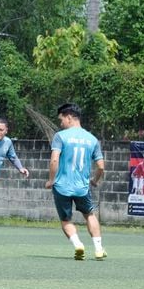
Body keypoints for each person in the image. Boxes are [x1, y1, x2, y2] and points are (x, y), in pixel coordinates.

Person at [44, 103, 106, 261]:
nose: (60, 123)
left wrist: (51, 180)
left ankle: (78, 244)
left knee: (66, 220)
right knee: (90, 215)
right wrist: (95, 180)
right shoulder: (92, 139)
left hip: (62, 186)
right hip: (82, 187)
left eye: (61, 119)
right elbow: (101, 167)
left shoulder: (60, 136)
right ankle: (99, 249)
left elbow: (54, 160)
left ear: (69, 117)